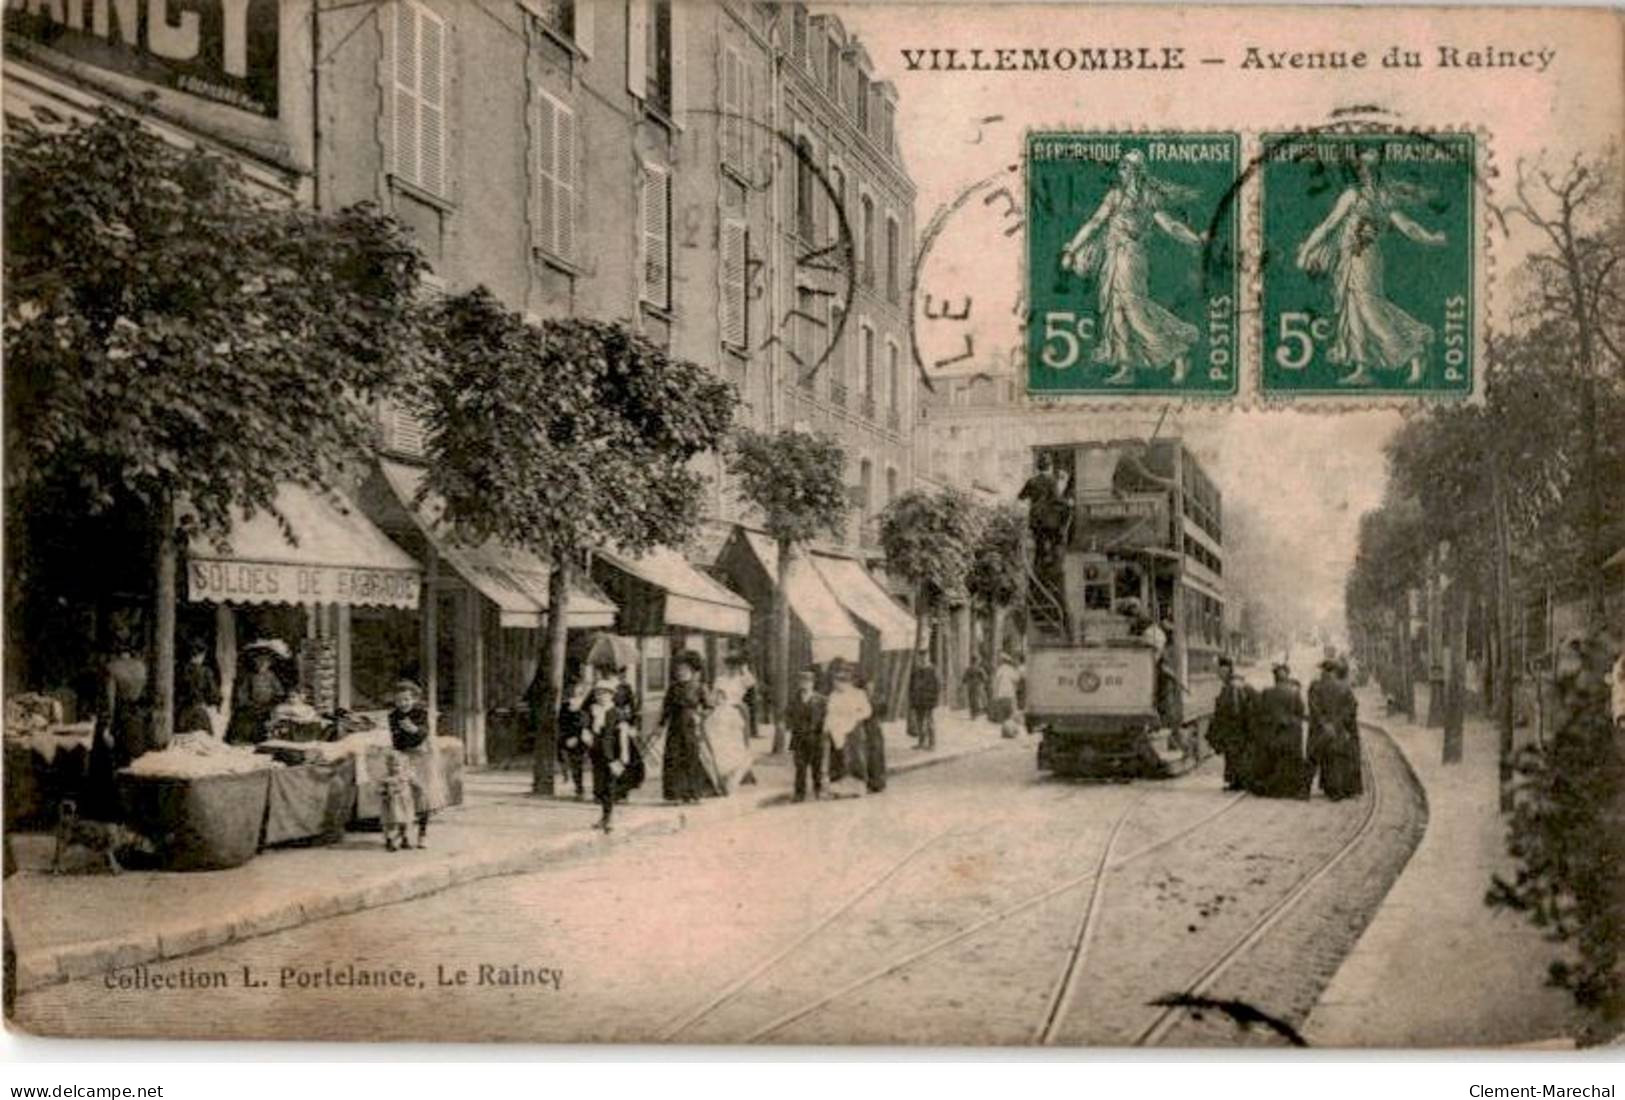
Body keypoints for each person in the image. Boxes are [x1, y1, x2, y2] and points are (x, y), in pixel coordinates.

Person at [1295, 147, 1448, 386]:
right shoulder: (1356, 196)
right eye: (1365, 169)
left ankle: (1414, 351)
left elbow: (1407, 226)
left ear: (1377, 171)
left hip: (1366, 260)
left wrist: (1430, 238)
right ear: (1360, 171)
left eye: (1372, 169)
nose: (1368, 173)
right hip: (1349, 259)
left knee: (1369, 308)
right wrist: (1307, 251)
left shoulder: (1380, 197)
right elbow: (1328, 227)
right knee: (1353, 308)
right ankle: (1363, 367)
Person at [1059, 149, 1207, 384]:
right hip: (1112, 257)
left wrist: (1196, 240)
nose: (1121, 171)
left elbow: (1171, 226)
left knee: (1134, 310)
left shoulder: (1149, 197)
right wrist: (1072, 249)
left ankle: (1179, 352)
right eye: (1121, 167)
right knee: (1115, 311)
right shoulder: (1115, 196)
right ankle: (1127, 368)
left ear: (1137, 171)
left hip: (1131, 258)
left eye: (1126, 167)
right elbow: (1095, 223)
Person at [85, 611, 152, 821]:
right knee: (137, 766)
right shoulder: (142, 667)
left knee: (114, 768)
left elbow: (108, 702)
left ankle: (115, 813)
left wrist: (105, 728)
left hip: (120, 721)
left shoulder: (111, 669)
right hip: (138, 720)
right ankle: (137, 812)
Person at [389, 679, 444, 849]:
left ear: (414, 699)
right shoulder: (393, 716)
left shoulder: (421, 713)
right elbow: (395, 740)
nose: (403, 703)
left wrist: (413, 729)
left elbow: (424, 733)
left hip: (423, 756)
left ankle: (422, 832)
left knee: (423, 795)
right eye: (399, 700)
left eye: (406, 699)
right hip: (404, 757)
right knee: (403, 795)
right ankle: (404, 833)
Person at [660, 650, 716, 804]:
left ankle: (692, 793)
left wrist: (700, 716)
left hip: (691, 725)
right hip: (675, 726)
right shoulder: (673, 688)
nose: (680, 673)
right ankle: (675, 794)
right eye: (678, 670)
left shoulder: (699, 687)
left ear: (692, 671)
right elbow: (666, 708)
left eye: (684, 670)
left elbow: (710, 707)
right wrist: (661, 724)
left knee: (691, 757)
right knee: (673, 757)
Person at [585, 680, 638, 832]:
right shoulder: (593, 711)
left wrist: (623, 755)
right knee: (599, 785)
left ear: (611, 696)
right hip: (597, 752)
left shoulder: (616, 712)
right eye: (598, 694)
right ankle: (604, 816)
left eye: (605, 694)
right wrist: (586, 733)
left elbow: (622, 735)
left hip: (612, 753)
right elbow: (587, 728)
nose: (601, 697)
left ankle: (609, 818)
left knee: (610, 785)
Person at [1255, 663, 1309, 799]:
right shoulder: (1294, 693)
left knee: (1273, 761)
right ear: (1287, 678)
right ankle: (1290, 789)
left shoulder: (1266, 692)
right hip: (1290, 735)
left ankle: (1273, 788)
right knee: (1290, 762)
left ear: (1274, 678)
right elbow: (1301, 712)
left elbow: (1260, 712)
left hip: (1272, 735)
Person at [1316, 659, 1364, 801]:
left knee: (1329, 757)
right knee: (1344, 757)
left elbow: (1316, 710)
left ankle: (1330, 788)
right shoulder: (1345, 687)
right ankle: (1347, 788)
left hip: (1327, 728)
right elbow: (1353, 707)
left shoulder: (1319, 688)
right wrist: (1342, 722)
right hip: (1342, 727)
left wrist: (1325, 723)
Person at [825, 658, 874, 795]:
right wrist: (828, 726)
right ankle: (838, 786)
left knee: (854, 757)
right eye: (835, 682)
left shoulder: (858, 694)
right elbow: (830, 711)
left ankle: (857, 786)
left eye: (840, 682)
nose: (837, 685)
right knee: (837, 758)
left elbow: (867, 711)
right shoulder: (834, 696)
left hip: (853, 729)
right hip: (837, 730)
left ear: (846, 682)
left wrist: (854, 717)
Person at [226, 643, 287, 745]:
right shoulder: (250, 676)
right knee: (245, 717)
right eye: (259, 662)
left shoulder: (271, 676)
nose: (261, 666)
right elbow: (243, 692)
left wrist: (273, 702)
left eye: (264, 663)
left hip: (267, 705)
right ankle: (243, 739)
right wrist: (247, 702)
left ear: (269, 665)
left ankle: (262, 738)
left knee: (268, 718)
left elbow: (279, 692)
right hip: (252, 704)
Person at [1209, 656, 1253, 791]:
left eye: (1219, 670)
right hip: (1238, 726)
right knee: (1235, 754)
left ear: (1226, 669)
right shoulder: (1236, 683)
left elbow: (1234, 708)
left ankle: (1238, 781)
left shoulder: (1232, 686)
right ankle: (1238, 781)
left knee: (1234, 754)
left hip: (1234, 727)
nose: (1217, 673)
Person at [786, 665, 828, 802]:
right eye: (802, 681)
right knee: (800, 767)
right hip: (798, 738)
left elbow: (825, 718)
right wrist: (792, 727)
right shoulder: (793, 700)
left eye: (807, 681)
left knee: (816, 766)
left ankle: (818, 790)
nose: (804, 684)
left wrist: (822, 734)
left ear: (812, 683)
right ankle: (799, 793)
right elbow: (788, 716)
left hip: (815, 738)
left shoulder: (821, 700)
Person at [175, 637, 221, 737]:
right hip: (198, 713)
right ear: (202, 654)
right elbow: (213, 695)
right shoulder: (205, 672)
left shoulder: (179, 671)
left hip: (180, 714)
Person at [556, 674, 591, 800]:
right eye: (575, 688)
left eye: (581, 689)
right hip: (573, 737)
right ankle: (579, 788)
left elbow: (590, 720)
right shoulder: (566, 706)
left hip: (589, 735)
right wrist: (570, 737)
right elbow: (562, 723)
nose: (578, 691)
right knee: (576, 761)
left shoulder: (588, 704)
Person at [378, 751, 415, 852]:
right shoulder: (386, 778)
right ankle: (390, 841)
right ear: (387, 766)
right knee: (391, 824)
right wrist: (384, 792)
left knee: (405, 822)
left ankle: (404, 839)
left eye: (397, 765)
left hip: (404, 803)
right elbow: (379, 789)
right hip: (391, 804)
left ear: (403, 766)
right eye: (391, 765)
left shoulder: (404, 776)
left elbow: (412, 781)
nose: (395, 768)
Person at [909, 653, 941, 751]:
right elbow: (911, 686)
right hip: (918, 700)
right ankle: (921, 742)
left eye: (924, 658)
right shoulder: (916, 671)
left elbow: (937, 686)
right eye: (920, 658)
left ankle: (932, 744)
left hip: (928, 700)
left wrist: (934, 699)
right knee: (919, 722)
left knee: (928, 721)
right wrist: (912, 699)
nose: (922, 660)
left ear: (927, 659)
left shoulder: (932, 670)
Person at [991, 652, 1024, 738]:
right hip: (1010, 694)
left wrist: (995, 694)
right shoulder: (1010, 669)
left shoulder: (999, 670)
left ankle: (1005, 731)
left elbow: (995, 683)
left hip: (1001, 694)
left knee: (1003, 714)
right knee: (1011, 713)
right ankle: (1011, 731)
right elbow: (1017, 679)